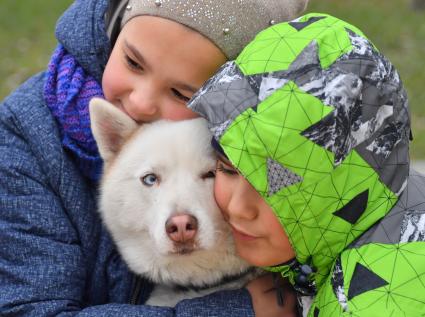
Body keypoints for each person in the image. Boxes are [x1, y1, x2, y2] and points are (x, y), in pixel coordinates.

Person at [0, 0, 309, 316]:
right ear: (118, 25)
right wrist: (235, 310)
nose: (140, 102)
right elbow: (28, 309)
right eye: (133, 62)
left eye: (181, 94)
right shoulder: (27, 135)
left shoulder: (275, 151)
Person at [188, 13, 425, 316]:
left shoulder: (368, 305)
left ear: (341, 180)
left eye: (278, 184)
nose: (237, 207)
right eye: (229, 169)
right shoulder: (389, 194)